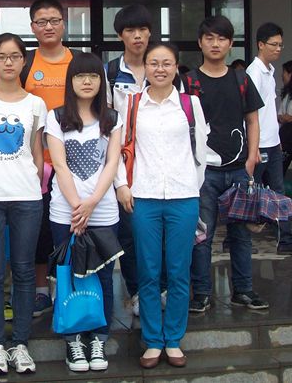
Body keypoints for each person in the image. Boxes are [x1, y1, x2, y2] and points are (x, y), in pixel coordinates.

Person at [117, 42, 207, 369]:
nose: (159, 69)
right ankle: (153, 340)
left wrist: (192, 187)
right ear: (145, 67)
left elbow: (201, 151)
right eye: (153, 63)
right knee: (149, 271)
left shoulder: (189, 104)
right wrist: (122, 186)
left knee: (180, 271)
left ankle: (174, 339)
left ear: (176, 67)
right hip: (144, 197)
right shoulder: (131, 104)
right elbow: (120, 149)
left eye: (166, 63)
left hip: (184, 197)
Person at [0, 33, 46, 375]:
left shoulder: (35, 104)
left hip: (27, 196)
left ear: (23, 61)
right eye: (2, 56)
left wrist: (36, 184)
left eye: (15, 56)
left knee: (25, 270)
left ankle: (21, 344)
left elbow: (37, 150)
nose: (8, 62)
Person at [184, 15, 267, 313]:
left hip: (238, 170)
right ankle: (201, 293)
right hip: (203, 172)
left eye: (221, 38)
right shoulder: (189, 81)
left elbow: (252, 120)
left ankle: (243, 290)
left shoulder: (241, 79)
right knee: (202, 235)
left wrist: (251, 158)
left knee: (240, 234)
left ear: (231, 44)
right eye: (209, 38)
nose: (215, 44)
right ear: (200, 43)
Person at [45, 53, 123, 372]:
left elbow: (112, 163)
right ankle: (74, 340)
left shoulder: (112, 118)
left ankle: (99, 339)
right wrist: (78, 205)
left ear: (101, 82)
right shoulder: (56, 116)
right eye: (80, 76)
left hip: (103, 212)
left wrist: (91, 203)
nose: (87, 81)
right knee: (69, 276)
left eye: (93, 76)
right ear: (71, 81)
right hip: (65, 212)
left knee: (103, 277)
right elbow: (59, 164)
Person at [21, 0, 80, 317]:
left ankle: (72, 286)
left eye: (54, 20)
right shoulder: (26, 63)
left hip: (77, 162)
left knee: (74, 227)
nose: (48, 26)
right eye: (41, 22)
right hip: (38, 163)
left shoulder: (79, 61)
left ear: (63, 24)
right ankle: (42, 290)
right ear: (32, 27)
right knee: (41, 229)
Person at [105, 4, 153, 316]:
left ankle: (158, 289)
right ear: (120, 36)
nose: (137, 36)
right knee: (128, 234)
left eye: (142, 30)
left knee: (156, 233)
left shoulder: (161, 67)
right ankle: (136, 292)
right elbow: (107, 124)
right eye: (130, 30)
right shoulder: (110, 72)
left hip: (156, 161)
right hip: (122, 163)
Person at [247, 23, 292, 255]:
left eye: (280, 45)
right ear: (261, 45)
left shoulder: (270, 71)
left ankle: (285, 240)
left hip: (273, 143)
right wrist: (252, 146)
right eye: (273, 44)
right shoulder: (254, 73)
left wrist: (277, 139)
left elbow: (269, 111)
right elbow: (250, 113)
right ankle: (235, 239)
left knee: (278, 192)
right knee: (249, 193)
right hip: (259, 145)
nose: (278, 49)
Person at [278, 60, 292, 174]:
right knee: (280, 168)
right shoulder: (287, 94)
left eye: (284, 72)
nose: (282, 76)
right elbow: (281, 116)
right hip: (286, 136)